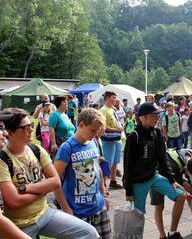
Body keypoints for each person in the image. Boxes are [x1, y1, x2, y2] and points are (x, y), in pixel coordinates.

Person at [0, 108, 98, 238]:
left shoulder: (37, 150)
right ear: (10, 133)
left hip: (45, 214)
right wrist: (44, 190)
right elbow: (14, 202)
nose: (31, 130)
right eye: (25, 127)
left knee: (89, 233)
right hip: (20, 224)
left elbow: (55, 181)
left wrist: (26, 188)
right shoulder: (3, 160)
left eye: (31, 125)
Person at [123, 102, 186, 239]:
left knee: (181, 195)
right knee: (137, 218)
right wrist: (128, 191)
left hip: (154, 177)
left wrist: (172, 180)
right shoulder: (134, 136)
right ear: (143, 117)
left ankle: (172, 232)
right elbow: (127, 166)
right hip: (137, 182)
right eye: (154, 115)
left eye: (158, 115)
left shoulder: (157, 133)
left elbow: (163, 160)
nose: (157, 118)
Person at [54, 108, 111, 238]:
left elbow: (98, 170)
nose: (95, 134)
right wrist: (66, 209)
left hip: (98, 207)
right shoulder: (67, 148)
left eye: (97, 131)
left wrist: (104, 194)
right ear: (81, 125)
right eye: (92, 130)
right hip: (78, 212)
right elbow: (55, 181)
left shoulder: (93, 143)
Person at [151, 149, 192, 237]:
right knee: (160, 206)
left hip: (175, 173)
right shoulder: (174, 166)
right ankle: (164, 235)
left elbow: (186, 171)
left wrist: (191, 181)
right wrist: (184, 190)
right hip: (157, 175)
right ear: (186, 168)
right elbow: (173, 182)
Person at [100, 91, 124, 189]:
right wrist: (116, 129)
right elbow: (103, 127)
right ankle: (103, 184)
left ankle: (113, 181)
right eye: (113, 97)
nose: (115, 100)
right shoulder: (103, 110)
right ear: (107, 98)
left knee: (115, 161)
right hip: (109, 139)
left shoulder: (112, 109)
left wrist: (119, 127)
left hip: (116, 138)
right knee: (107, 162)